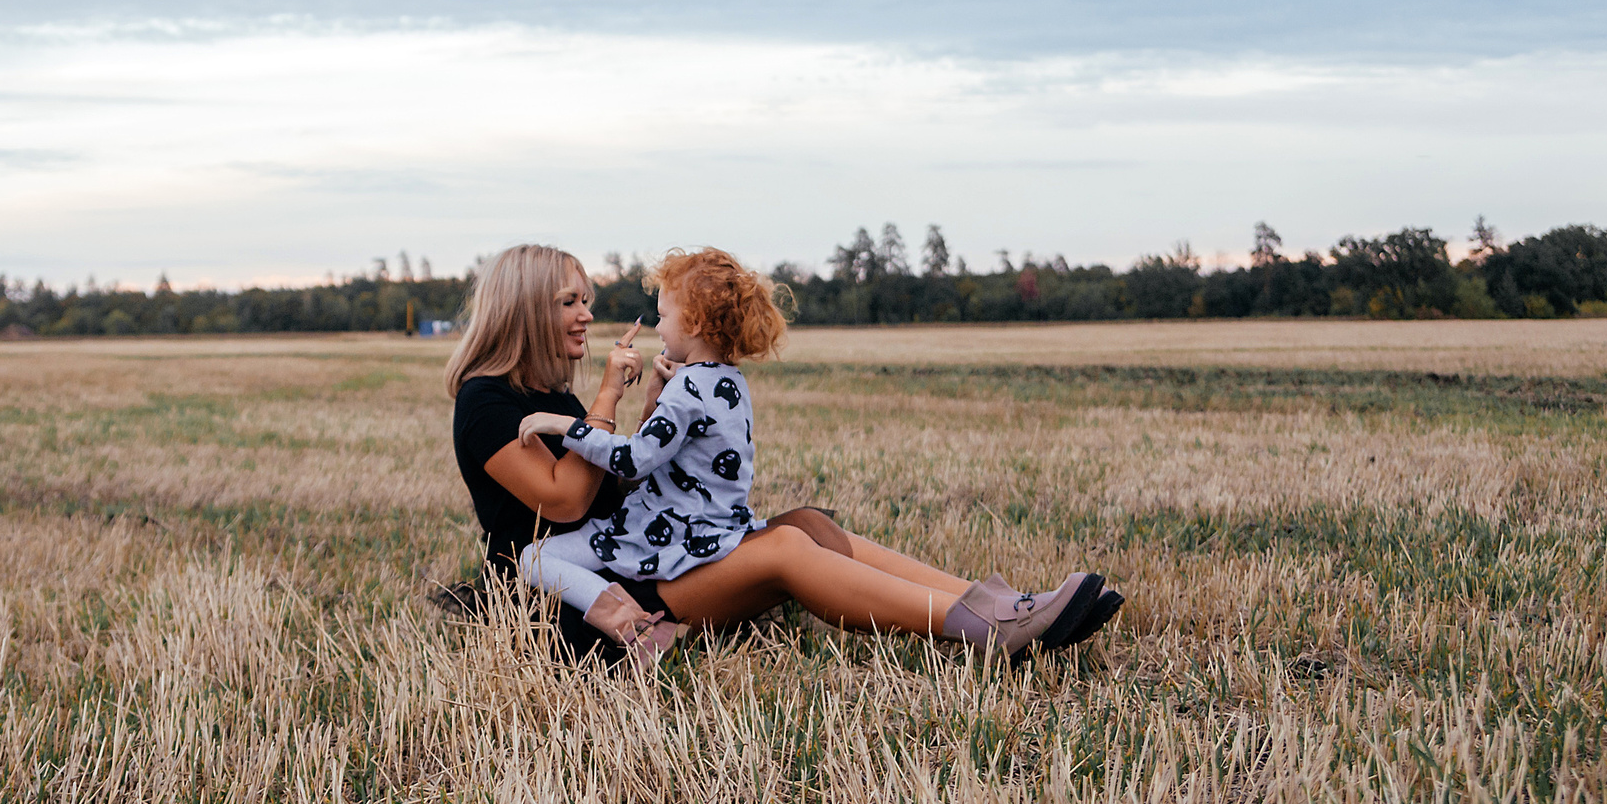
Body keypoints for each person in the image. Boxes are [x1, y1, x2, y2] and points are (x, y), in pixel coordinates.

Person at [448, 243, 1121, 666]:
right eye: (569, 301)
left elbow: (629, 474)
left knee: (807, 528)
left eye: (586, 300)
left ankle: (997, 602)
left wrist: (647, 398)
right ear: (526, 309)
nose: (587, 315)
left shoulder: (548, 397)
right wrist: (604, 399)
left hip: (638, 553)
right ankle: (976, 627)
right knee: (784, 554)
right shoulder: (485, 405)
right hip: (570, 600)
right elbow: (565, 499)